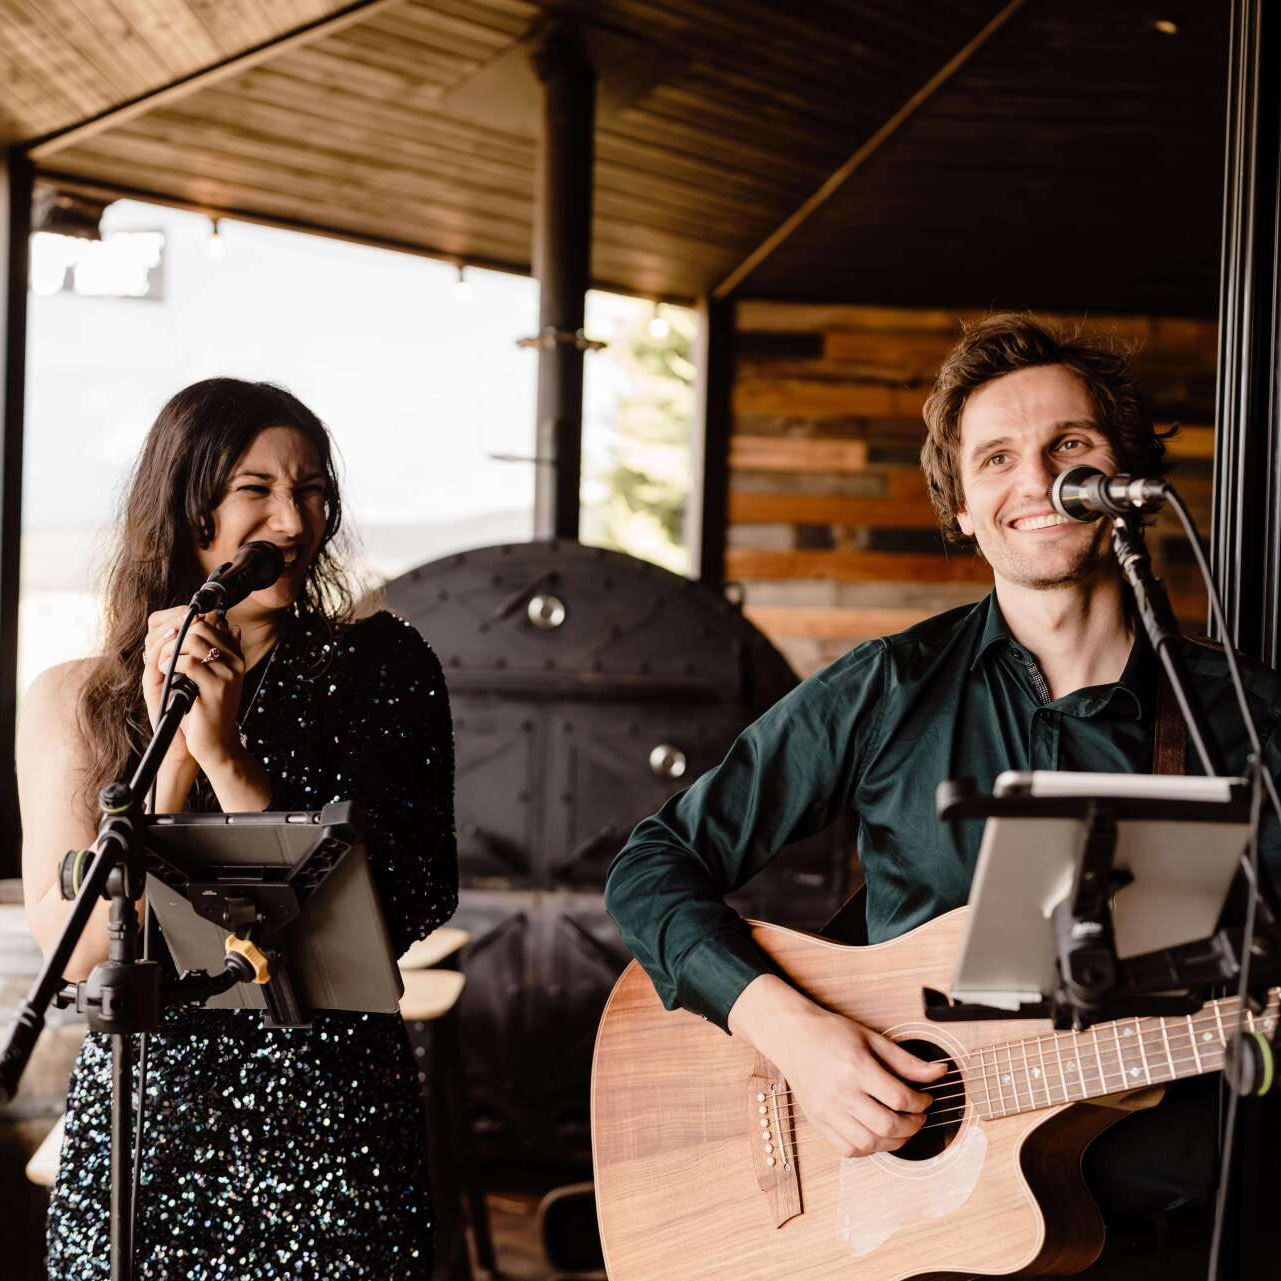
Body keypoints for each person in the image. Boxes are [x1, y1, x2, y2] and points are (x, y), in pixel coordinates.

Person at [605, 313, 1281, 1275]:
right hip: (907, 1228)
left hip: (1157, 1236)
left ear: (1123, 479)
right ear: (961, 506)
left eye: (1071, 446)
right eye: (996, 457)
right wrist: (795, 1036)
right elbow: (650, 865)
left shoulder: (1244, 719)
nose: (1037, 479)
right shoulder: (888, 687)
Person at [18, 378, 458, 1279]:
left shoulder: (383, 667)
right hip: (145, 1124)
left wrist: (230, 761)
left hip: (329, 1120)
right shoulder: (70, 698)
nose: (294, 522)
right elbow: (81, 951)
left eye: (311, 490)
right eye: (256, 491)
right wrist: (174, 747)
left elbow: (408, 901)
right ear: (186, 509)